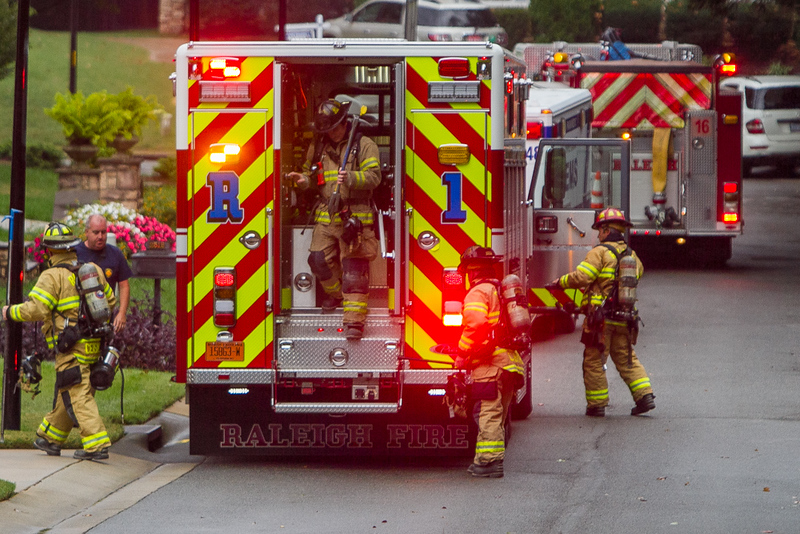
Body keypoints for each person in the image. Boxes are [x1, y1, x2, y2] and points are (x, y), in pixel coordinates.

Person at [3, 222, 117, 460]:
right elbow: (110, 301)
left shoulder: (51, 276)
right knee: (69, 389)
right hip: (94, 344)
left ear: (50, 251)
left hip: (71, 347)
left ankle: (97, 445)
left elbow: (36, 310)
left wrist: (9, 312)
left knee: (78, 393)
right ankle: (50, 438)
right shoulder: (92, 270)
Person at [547, 207, 655, 417]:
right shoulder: (632, 256)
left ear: (606, 230)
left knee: (594, 361)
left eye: (599, 231)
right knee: (626, 359)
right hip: (625, 318)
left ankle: (596, 405)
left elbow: (583, 277)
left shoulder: (599, 252)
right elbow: (637, 276)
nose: (598, 235)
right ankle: (645, 396)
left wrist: (559, 283)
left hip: (600, 320)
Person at [287, 99, 381, 341]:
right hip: (327, 216)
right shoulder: (318, 145)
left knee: (354, 272)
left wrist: (350, 177)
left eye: (333, 128)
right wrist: (304, 181)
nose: (330, 133)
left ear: (343, 123)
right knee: (318, 260)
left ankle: (354, 322)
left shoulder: (364, 145)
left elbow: (374, 177)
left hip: (355, 217)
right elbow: (311, 174)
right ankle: (338, 295)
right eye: (326, 129)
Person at [455, 246, 525, 478]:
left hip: (490, 365)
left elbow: (475, 325)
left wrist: (462, 353)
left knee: (489, 414)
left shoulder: (478, 292)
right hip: (510, 363)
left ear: (472, 271)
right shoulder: (500, 290)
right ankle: (486, 460)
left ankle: (489, 462)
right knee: (498, 415)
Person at [76, 214, 132, 334]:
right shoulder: (75, 253)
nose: (100, 237)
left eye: (103, 232)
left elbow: (124, 285)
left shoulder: (115, 254)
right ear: (86, 232)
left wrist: (122, 313)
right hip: (79, 319)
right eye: (96, 232)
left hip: (106, 318)